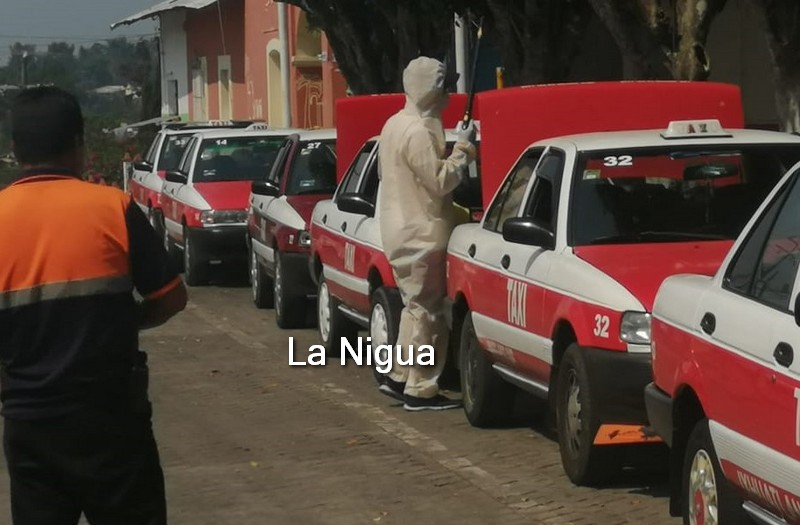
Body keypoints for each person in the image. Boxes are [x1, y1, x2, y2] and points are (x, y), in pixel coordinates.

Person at [0, 86, 187, 524]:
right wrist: (125, 322)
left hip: (30, 423)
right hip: (113, 420)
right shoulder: (114, 208)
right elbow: (172, 297)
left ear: (14, 150)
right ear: (79, 146)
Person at [376, 56, 477, 411]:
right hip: (422, 233)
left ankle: (399, 376)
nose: (448, 93)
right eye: (443, 86)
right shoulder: (417, 131)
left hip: (400, 229)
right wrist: (463, 149)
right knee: (429, 313)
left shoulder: (393, 124)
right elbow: (440, 181)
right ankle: (421, 389)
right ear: (430, 90)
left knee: (413, 308)